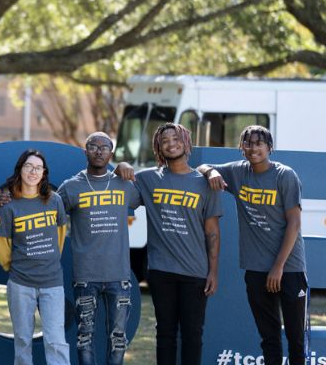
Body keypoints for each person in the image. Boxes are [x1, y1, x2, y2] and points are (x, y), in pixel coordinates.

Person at [197, 125, 307, 365]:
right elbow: (202, 168)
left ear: (269, 147)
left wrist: (278, 267)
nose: (253, 148)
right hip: (256, 269)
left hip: (288, 268)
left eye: (259, 143)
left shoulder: (285, 175)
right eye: (248, 143)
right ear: (241, 148)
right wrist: (210, 173)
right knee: (269, 337)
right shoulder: (237, 173)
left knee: (296, 338)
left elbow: (294, 223)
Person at [131, 123, 222, 365]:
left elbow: (212, 230)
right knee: (165, 334)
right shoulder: (147, 178)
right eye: (164, 141)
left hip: (195, 272)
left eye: (175, 138)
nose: (171, 143)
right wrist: (121, 166)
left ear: (186, 141)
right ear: (158, 148)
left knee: (193, 335)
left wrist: (213, 271)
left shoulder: (205, 183)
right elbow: (119, 187)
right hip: (161, 271)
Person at [57, 132, 141, 365]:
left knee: (118, 338)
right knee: (84, 337)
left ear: (111, 154)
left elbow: (144, 197)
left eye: (104, 147)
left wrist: (124, 166)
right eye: (93, 146)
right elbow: (49, 215)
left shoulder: (123, 184)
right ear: (85, 151)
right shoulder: (71, 187)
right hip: (85, 275)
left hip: (119, 274)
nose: (99, 151)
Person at [0, 149, 69, 365]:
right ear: (20, 170)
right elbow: (2, 244)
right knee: (23, 340)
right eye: (29, 166)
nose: (33, 171)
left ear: (44, 173)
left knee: (56, 340)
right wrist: (14, 267)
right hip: (20, 283)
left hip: (52, 282)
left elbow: (60, 234)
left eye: (38, 167)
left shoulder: (54, 200)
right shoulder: (9, 206)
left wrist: (49, 259)